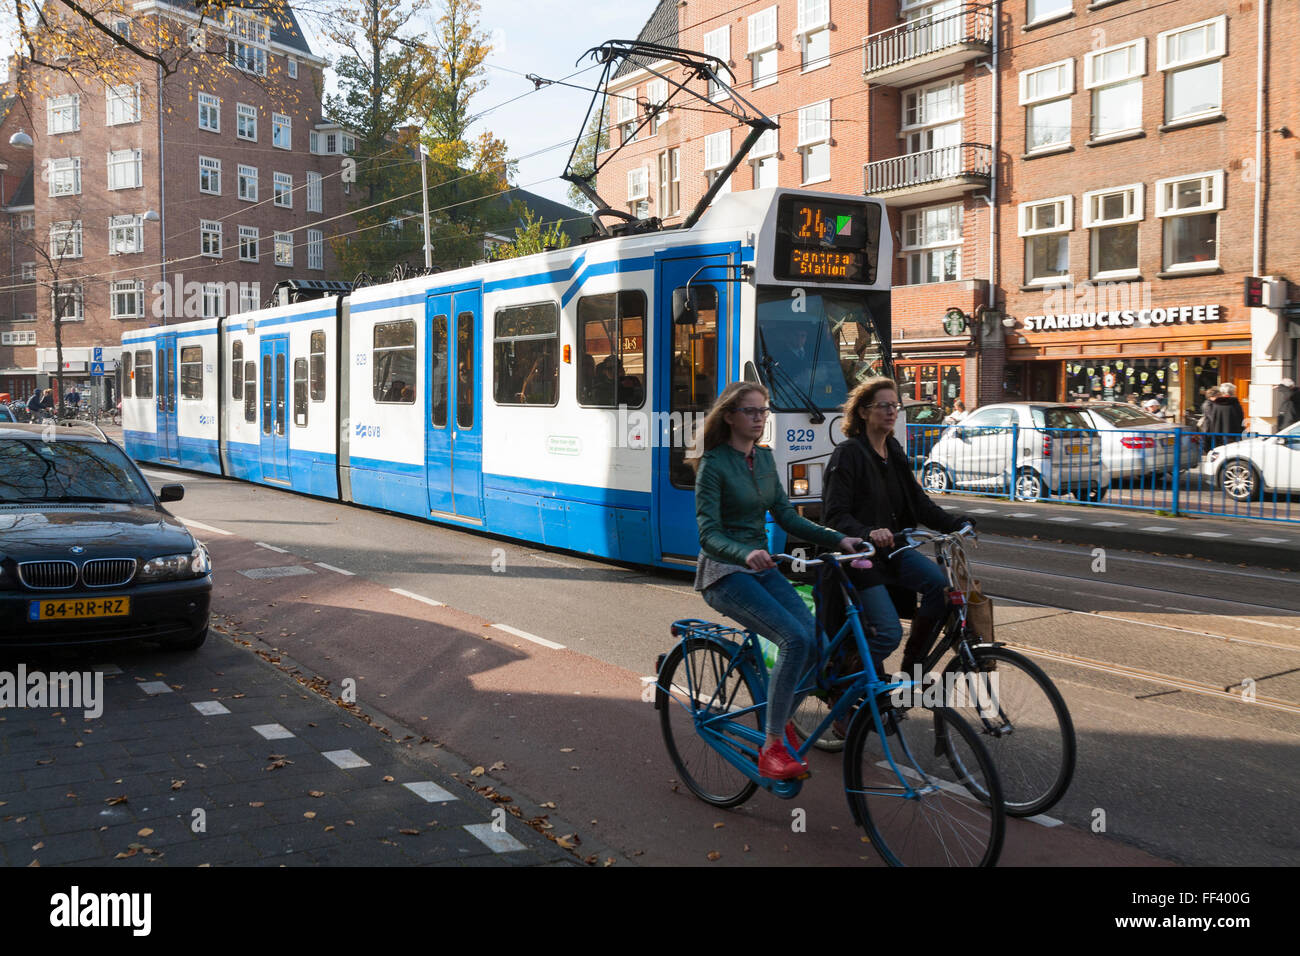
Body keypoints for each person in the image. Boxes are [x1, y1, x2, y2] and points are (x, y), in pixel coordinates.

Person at [693, 381, 863, 782]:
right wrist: (743, 553)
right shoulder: (713, 465)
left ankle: (780, 716)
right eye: (751, 411)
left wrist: (838, 538)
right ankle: (771, 746)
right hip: (724, 572)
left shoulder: (765, 460)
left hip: (761, 569)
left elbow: (787, 516)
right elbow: (707, 533)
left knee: (816, 644)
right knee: (794, 638)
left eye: (763, 411)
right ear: (730, 416)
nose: (759, 418)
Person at [822, 377, 975, 685]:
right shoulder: (848, 454)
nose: (891, 411)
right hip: (861, 558)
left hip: (894, 551)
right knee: (888, 633)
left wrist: (956, 523)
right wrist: (868, 532)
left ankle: (914, 666)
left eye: (895, 405)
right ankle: (844, 677)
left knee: (940, 588)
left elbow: (918, 503)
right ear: (863, 413)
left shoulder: (893, 450)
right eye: (883, 405)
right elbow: (835, 515)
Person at [1203, 383, 1244, 448]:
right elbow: (1241, 421)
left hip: (1218, 438)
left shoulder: (1216, 405)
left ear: (1222, 392)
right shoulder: (1236, 405)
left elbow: (1213, 421)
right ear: (1233, 392)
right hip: (1233, 437)